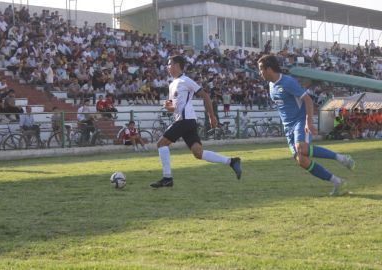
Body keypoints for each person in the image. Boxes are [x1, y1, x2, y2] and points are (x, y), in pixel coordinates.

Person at [257, 54, 355, 196]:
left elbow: (308, 100)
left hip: (300, 121)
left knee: (302, 148)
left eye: (261, 69)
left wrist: (308, 122)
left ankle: (342, 158)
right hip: (288, 127)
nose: (260, 72)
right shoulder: (271, 86)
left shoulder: (287, 82)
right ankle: (338, 182)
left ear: (269, 68)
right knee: (302, 161)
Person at [150, 55, 241, 188]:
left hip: (185, 120)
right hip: (187, 121)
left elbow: (205, 96)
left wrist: (212, 116)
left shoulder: (186, 80)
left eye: (169, 64)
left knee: (161, 144)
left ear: (177, 65)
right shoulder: (171, 84)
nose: (167, 67)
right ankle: (232, 161)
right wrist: (167, 106)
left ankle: (167, 178)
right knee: (198, 153)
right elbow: (172, 107)